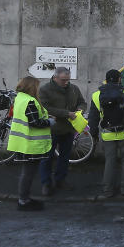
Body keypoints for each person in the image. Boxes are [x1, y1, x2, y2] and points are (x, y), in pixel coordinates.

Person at [37, 66, 86, 196]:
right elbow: (45, 108)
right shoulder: (45, 90)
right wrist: (66, 113)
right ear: (55, 77)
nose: (66, 83)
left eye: (68, 80)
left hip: (68, 130)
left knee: (64, 157)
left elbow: (82, 102)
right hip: (51, 130)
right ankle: (46, 183)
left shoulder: (74, 89)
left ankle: (60, 180)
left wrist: (80, 110)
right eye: (63, 80)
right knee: (47, 158)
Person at [8, 76, 55, 210]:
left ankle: (25, 198)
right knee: (28, 173)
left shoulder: (20, 98)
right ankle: (23, 201)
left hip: (24, 142)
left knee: (27, 173)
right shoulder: (30, 101)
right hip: (31, 144)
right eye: (37, 86)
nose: (38, 89)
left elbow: (30, 118)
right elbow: (35, 123)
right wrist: (50, 122)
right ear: (32, 87)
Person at [88, 69, 124, 198]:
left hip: (107, 134)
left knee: (110, 162)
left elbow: (93, 117)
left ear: (106, 79)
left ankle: (108, 190)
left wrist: (93, 134)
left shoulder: (96, 95)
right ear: (119, 79)